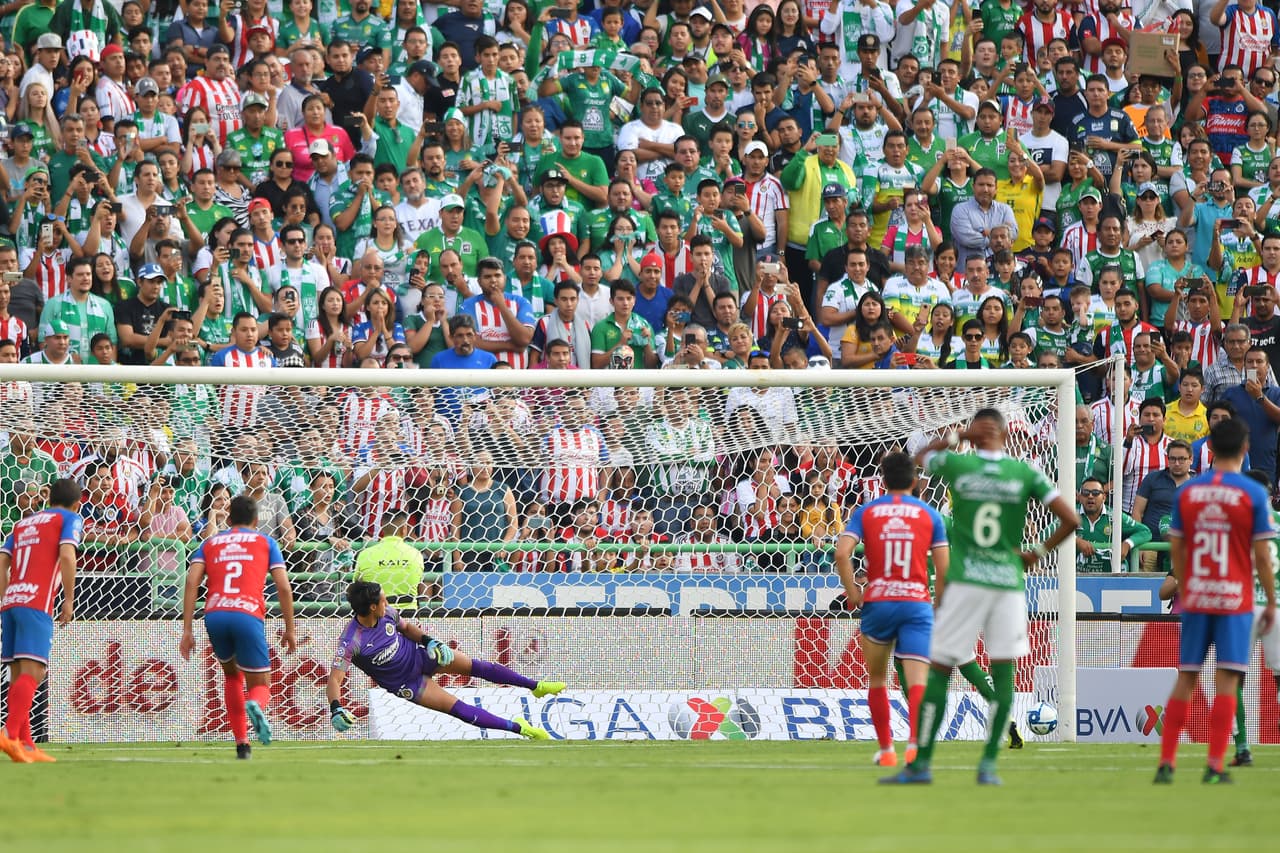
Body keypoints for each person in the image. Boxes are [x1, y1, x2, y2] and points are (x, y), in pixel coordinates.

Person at [884, 409, 1078, 786]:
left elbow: (920, 457)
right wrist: (1035, 553)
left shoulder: (960, 467)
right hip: (1007, 582)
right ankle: (988, 765)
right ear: (1005, 433)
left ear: (977, 431)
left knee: (939, 670)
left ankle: (921, 764)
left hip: (966, 581)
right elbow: (1071, 520)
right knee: (1004, 674)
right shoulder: (1025, 473)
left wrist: (956, 436)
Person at [1154, 417, 1276, 785]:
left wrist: (1188, 583)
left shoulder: (1188, 492)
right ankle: (1214, 766)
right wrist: (1270, 600)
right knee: (1226, 680)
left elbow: (1176, 546)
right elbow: (1262, 555)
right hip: (1234, 599)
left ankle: (1166, 764)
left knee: (1186, 677)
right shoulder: (1252, 494)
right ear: (1245, 448)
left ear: (1207, 449)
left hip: (1196, 596)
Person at [326, 580, 561, 740]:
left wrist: (430, 642)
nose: (387, 604)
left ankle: (536, 687)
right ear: (372, 607)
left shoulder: (387, 613)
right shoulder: (351, 641)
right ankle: (522, 729)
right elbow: (335, 680)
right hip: (406, 683)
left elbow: (407, 628)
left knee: (478, 667)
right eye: (383, 601)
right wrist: (336, 708)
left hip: (421, 656)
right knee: (461, 711)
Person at [836, 451, 948, 769]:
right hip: (915, 603)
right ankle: (914, 746)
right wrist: (936, 603)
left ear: (883, 481)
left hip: (879, 601)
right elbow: (943, 568)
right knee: (917, 682)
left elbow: (842, 553)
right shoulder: (930, 515)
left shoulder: (867, 511)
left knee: (877, 680)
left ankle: (887, 751)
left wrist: (853, 591)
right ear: (914, 481)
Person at [178, 495, 298, 760]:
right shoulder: (266, 542)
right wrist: (290, 629)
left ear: (228, 519)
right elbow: (283, 587)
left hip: (215, 614)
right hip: (247, 613)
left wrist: (187, 629)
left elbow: (191, 581)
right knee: (262, 684)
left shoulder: (210, 543)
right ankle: (255, 704)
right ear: (256, 520)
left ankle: (242, 743)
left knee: (232, 676)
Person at [0, 478, 82, 764]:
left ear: (49, 499)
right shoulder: (70, 518)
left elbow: (2, 560)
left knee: (19, 673)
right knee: (34, 673)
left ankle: (26, 745)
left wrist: (6, 596)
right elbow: (67, 555)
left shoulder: (23, 523)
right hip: (37, 602)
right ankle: (9, 734)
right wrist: (69, 599)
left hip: (11, 602)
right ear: (77, 502)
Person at [354, 509, 424, 607]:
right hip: (409, 616)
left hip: (376, 617)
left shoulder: (366, 554)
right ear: (404, 529)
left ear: (382, 528)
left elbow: (356, 585)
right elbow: (418, 582)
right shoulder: (416, 554)